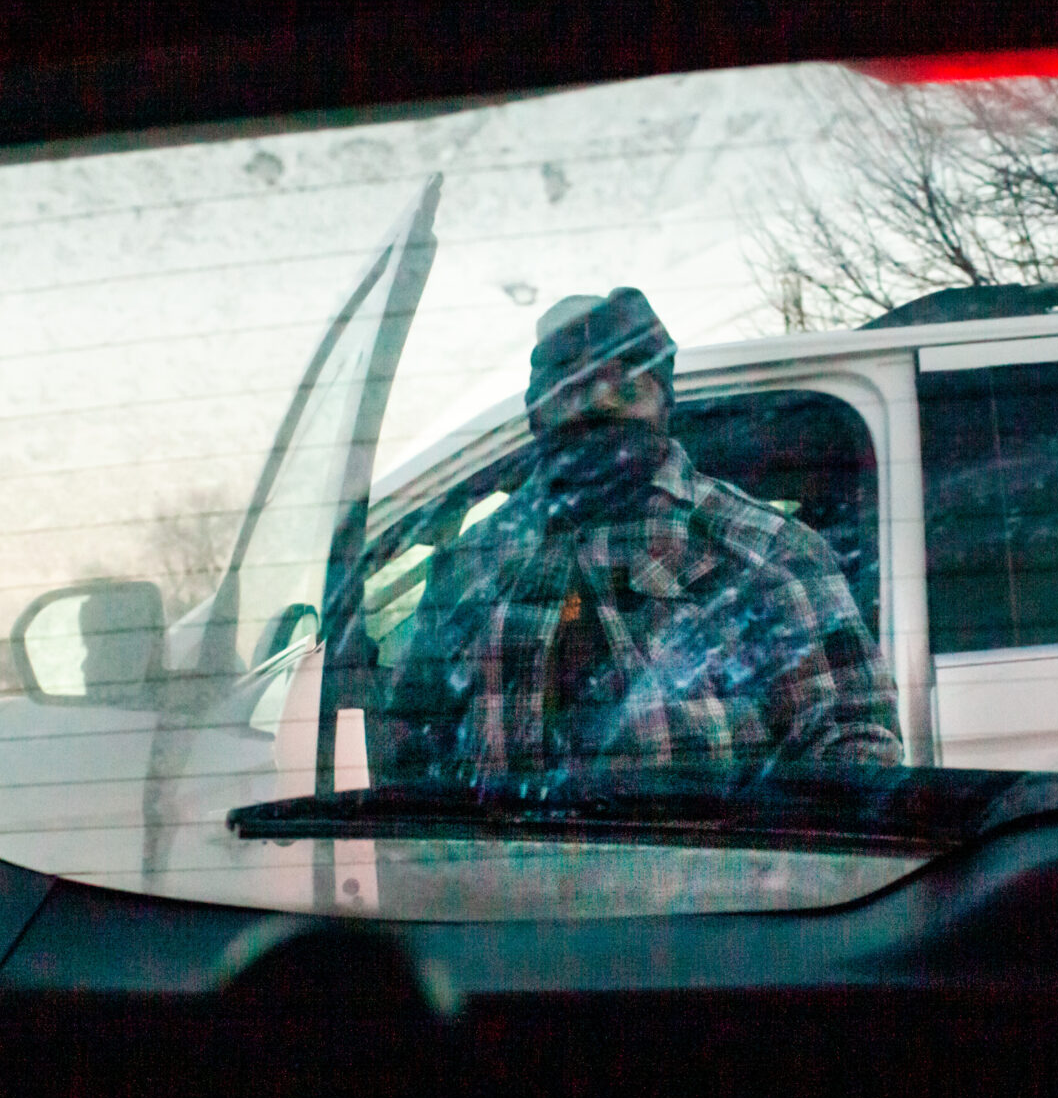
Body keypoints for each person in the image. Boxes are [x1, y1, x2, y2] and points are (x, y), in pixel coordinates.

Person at [383, 287, 903, 783]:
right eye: (571, 391)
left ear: (664, 401)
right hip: (498, 873)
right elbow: (410, 743)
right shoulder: (473, 563)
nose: (598, 408)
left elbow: (855, 746)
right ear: (537, 410)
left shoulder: (765, 550)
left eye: (623, 387)